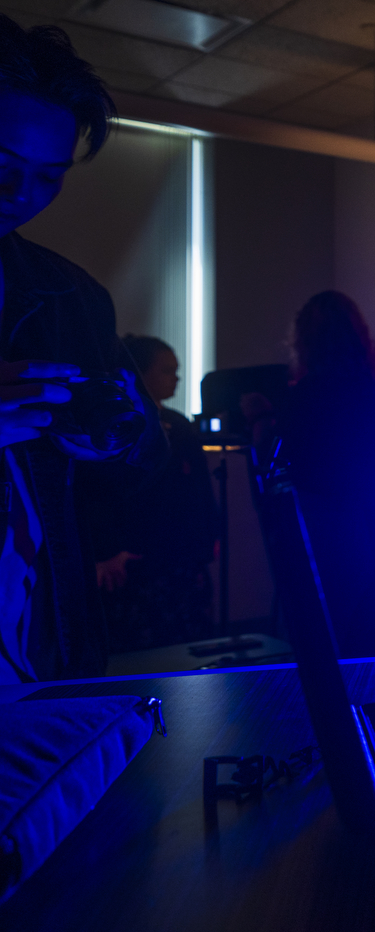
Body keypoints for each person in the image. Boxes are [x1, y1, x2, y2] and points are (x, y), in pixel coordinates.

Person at [0, 16, 166, 682]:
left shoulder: (71, 295)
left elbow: (141, 460)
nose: (20, 198)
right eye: (3, 166)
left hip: (40, 649)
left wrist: (121, 433)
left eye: (49, 178)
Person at [271, 290, 375, 658]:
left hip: (323, 530)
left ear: (305, 341)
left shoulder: (298, 399)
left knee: (322, 648)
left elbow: (290, 472)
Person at [92, 335, 218, 650]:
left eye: (176, 371)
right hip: (139, 559)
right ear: (139, 372)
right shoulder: (118, 424)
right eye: (166, 370)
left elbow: (200, 488)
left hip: (180, 555)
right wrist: (109, 548)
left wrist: (208, 536)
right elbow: (103, 492)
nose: (175, 378)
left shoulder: (180, 425)